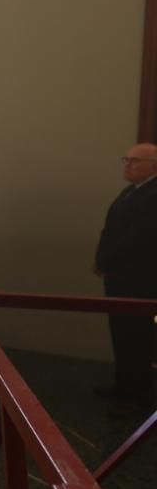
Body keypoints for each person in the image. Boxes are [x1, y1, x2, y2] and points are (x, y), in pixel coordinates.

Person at [94, 142, 157, 418]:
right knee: (121, 332)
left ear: (154, 166)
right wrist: (101, 260)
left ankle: (141, 394)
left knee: (138, 336)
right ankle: (123, 385)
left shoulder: (153, 195)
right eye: (126, 159)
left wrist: (109, 261)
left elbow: (138, 239)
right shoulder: (131, 191)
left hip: (139, 279)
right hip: (120, 276)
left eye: (135, 161)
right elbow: (111, 230)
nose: (127, 165)